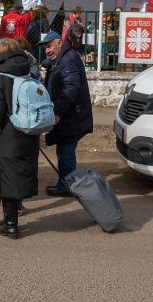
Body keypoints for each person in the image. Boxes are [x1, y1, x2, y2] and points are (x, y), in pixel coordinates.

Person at [0, 38, 40, 239]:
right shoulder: (29, 70)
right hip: (29, 131)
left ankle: (11, 225)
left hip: (8, 134)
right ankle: (10, 218)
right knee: (18, 176)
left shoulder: (0, 77)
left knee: (7, 179)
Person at [38, 31, 93, 196]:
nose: (47, 51)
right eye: (45, 48)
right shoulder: (62, 57)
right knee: (64, 149)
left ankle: (68, 185)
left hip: (71, 117)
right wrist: (45, 63)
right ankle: (66, 182)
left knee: (66, 151)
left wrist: (57, 113)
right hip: (70, 116)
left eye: (49, 46)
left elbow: (71, 89)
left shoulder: (68, 59)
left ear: (59, 42)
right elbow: (53, 64)